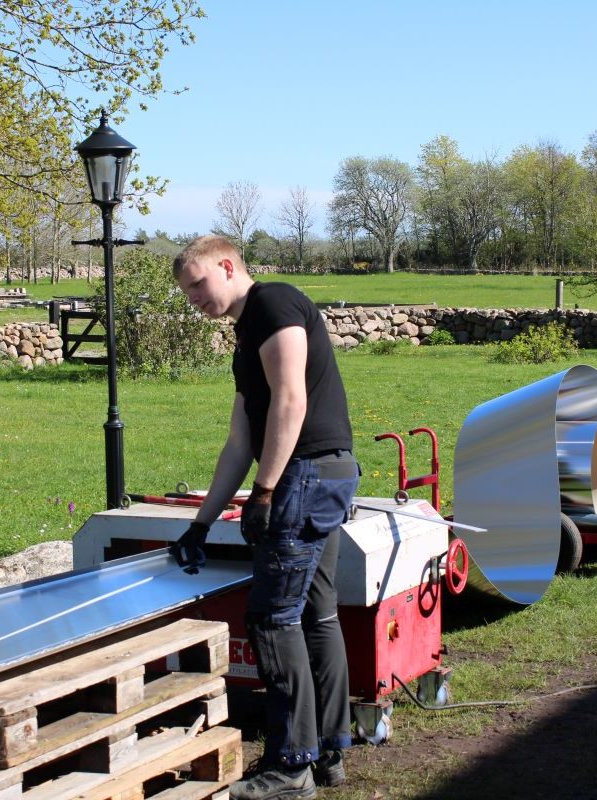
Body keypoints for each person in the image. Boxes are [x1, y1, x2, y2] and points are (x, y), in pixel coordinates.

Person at [169, 235, 360, 800]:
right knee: (316, 614)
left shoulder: (274, 304)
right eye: (186, 292)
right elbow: (239, 439)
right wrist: (201, 522)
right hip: (321, 474)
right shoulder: (246, 332)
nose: (194, 299)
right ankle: (329, 753)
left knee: (274, 620)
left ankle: (291, 769)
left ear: (228, 266)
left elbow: (291, 400)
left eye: (198, 284)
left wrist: (267, 491)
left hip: (305, 475)